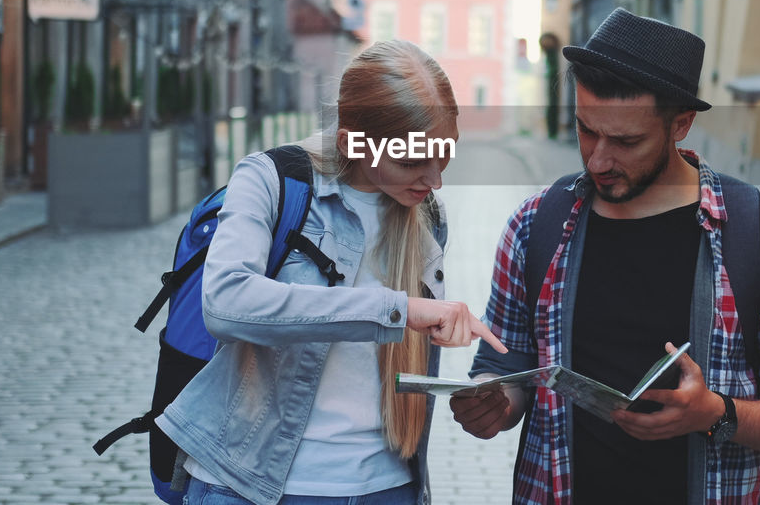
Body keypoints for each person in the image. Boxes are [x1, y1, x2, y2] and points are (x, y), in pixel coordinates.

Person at [451, 8, 760, 504]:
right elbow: (504, 367)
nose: (598, 159)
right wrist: (494, 403)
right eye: (586, 130)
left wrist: (716, 414)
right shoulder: (535, 225)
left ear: (681, 125)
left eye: (626, 140)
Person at [157, 40, 506, 505]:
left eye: (443, 157)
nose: (434, 180)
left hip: (386, 487)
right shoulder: (270, 181)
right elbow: (225, 302)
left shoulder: (427, 216)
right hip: (252, 487)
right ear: (350, 142)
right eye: (412, 162)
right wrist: (396, 309)